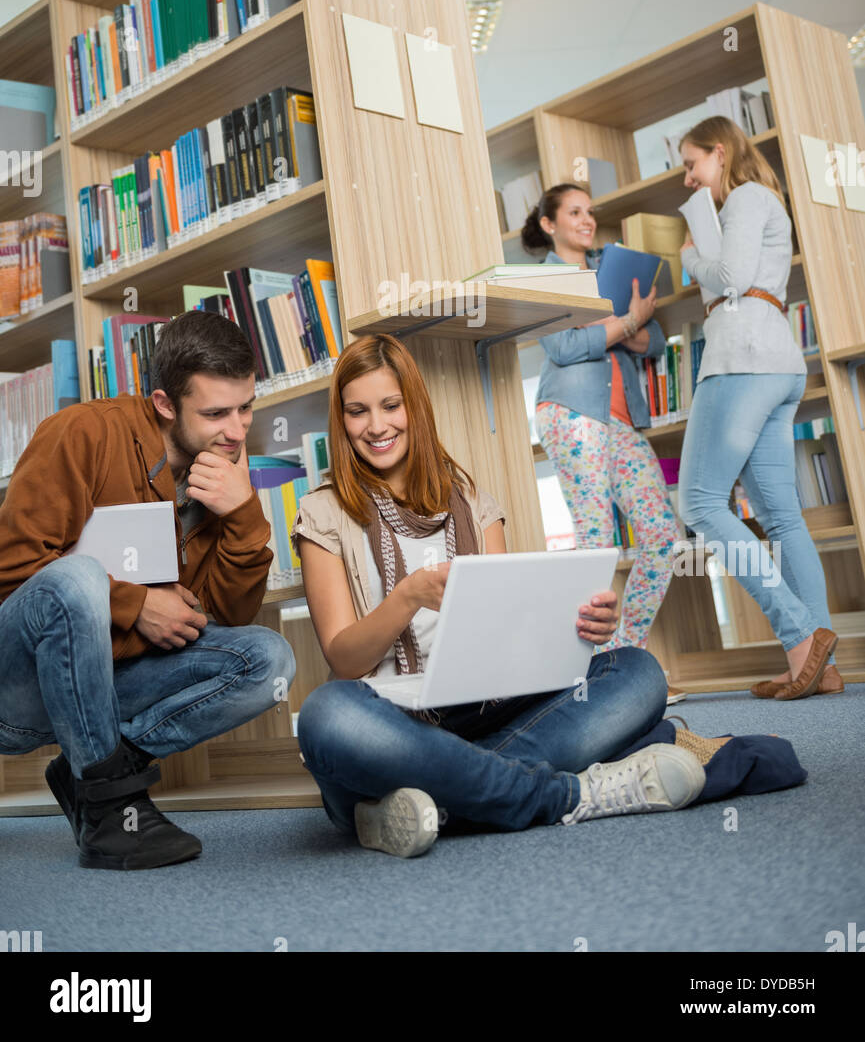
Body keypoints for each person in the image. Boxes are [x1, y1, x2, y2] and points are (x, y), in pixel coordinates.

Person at [290, 331, 730, 861]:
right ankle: (565, 794)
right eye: (357, 412)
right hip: (395, 720)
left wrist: (583, 626)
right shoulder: (323, 512)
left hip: (488, 708)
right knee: (327, 716)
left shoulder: (471, 499)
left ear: (415, 407)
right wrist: (407, 596)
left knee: (638, 673)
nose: (377, 426)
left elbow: (509, 632)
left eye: (390, 405)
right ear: (341, 421)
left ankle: (438, 796)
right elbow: (344, 659)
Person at [0, 310, 296, 869]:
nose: (237, 431)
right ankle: (112, 810)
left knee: (269, 659)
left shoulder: (224, 468)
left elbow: (224, 617)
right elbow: (11, 571)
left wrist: (245, 516)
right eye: (215, 413)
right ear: (164, 404)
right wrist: (136, 605)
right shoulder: (83, 432)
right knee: (76, 577)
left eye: (246, 408)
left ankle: (97, 771)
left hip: (109, 690)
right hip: (17, 695)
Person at [676, 116, 842, 701]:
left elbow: (730, 278)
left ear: (720, 152)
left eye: (692, 163)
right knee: (782, 518)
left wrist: (690, 257)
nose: (688, 177)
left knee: (698, 502)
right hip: (776, 364)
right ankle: (819, 666)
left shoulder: (746, 196)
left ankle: (800, 637)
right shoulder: (757, 203)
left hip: (742, 360)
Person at [521, 183, 685, 703]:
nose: (587, 220)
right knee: (596, 542)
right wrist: (627, 322)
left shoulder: (610, 272)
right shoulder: (544, 278)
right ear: (549, 223)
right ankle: (595, 673)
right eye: (574, 212)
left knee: (663, 535)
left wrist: (627, 324)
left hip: (621, 421)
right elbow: (563, 347)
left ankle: (623, 663)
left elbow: (653, 340)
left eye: (590, 211)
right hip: (570, 412)